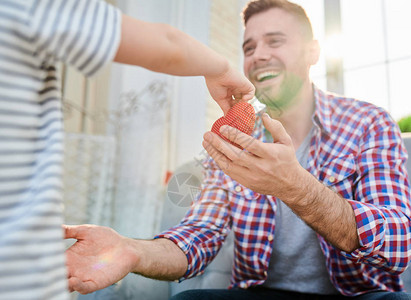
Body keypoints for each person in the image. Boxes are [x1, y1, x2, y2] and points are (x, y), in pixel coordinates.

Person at [64, 0, 411, 299]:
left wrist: (295, 186)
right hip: (263, 293)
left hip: (359, 295)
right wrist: (131, 250)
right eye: (249, 47)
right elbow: (199, 234)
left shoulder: (368, 123)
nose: (258, 56)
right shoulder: (237, 138)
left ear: (313, 51)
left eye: (275, 41)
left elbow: (400, 243)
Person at [0, 0, 254, 299]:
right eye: (248, 47)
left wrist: (128, 249)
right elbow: (169, 46)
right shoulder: (29, 7)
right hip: (23, 271)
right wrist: (222, 68)